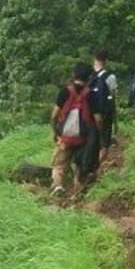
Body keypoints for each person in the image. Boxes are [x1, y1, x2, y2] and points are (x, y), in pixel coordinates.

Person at [49, 63, 97, 196]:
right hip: (83, 137)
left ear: (74, 74)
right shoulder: (90, 95)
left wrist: (56, 132)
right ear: (88, 78)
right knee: (79, 164)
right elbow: (98, 119)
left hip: (65, 137)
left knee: (58, 164)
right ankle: (77, 193)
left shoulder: (65, 91)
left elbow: (54, 115)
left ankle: (58, 186)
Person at [88, 52, 118, 165]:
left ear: (94, 59)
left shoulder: (88, 76)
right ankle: (97, 167)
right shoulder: (110, 76)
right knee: (104, 141)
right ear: (106, 61)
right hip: (105, 113)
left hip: (90, 114)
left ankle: (87, 166)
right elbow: (113, 96)